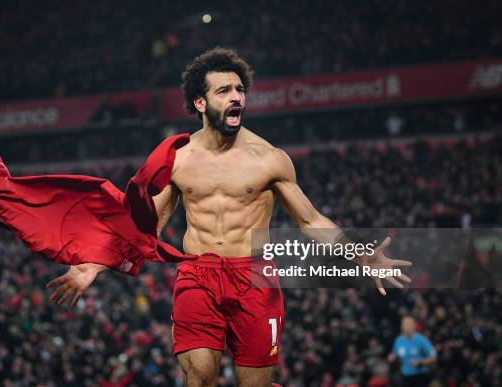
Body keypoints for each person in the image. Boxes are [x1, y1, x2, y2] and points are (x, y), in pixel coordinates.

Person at [47, 48, 412, 387]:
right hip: (197, 274)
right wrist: (92, 265)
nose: (236, 96)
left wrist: (358, 254)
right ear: (200, 102)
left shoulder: (268, 158)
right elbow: (147, 227)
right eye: (224, 91)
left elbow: (311, 220)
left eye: (240, 89)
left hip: (254, 276)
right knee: (201, 376)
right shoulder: (179, 158)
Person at [388, 315, 437, 387]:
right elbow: (395, 354)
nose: (406, 326)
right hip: (405, 376)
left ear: (414, 325)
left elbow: (433, 357)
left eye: (408, 324)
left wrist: (420, 363)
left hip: (420, 376)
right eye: (404, 324)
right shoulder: (398, 341)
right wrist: (392, 358)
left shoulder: (422, 340)